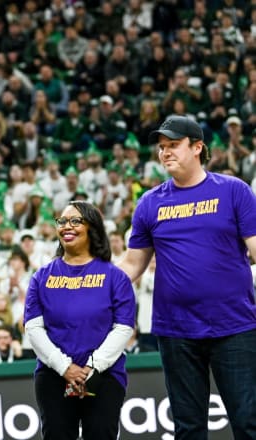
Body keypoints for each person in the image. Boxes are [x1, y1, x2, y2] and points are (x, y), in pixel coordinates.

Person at [117, 115, 256, 439]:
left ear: (197, 147)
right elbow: (133, 264)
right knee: (188, 428)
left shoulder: (234, 191)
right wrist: (91, 286)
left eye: (173, 145)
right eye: (162, 147)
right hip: (176, 330)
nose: (165, 152)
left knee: (248, 422)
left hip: (235, 326)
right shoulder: (149, 203)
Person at [24, 201, 135, 440]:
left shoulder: (115, 277)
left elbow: (123, 328)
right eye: (62, 221)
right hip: (53, 377)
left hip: (104, 376)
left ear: (92, 228)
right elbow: (33, 329)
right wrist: (65, 367)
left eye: (75, 221)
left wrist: (92, 368)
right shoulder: (41, 278)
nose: (66, 226)